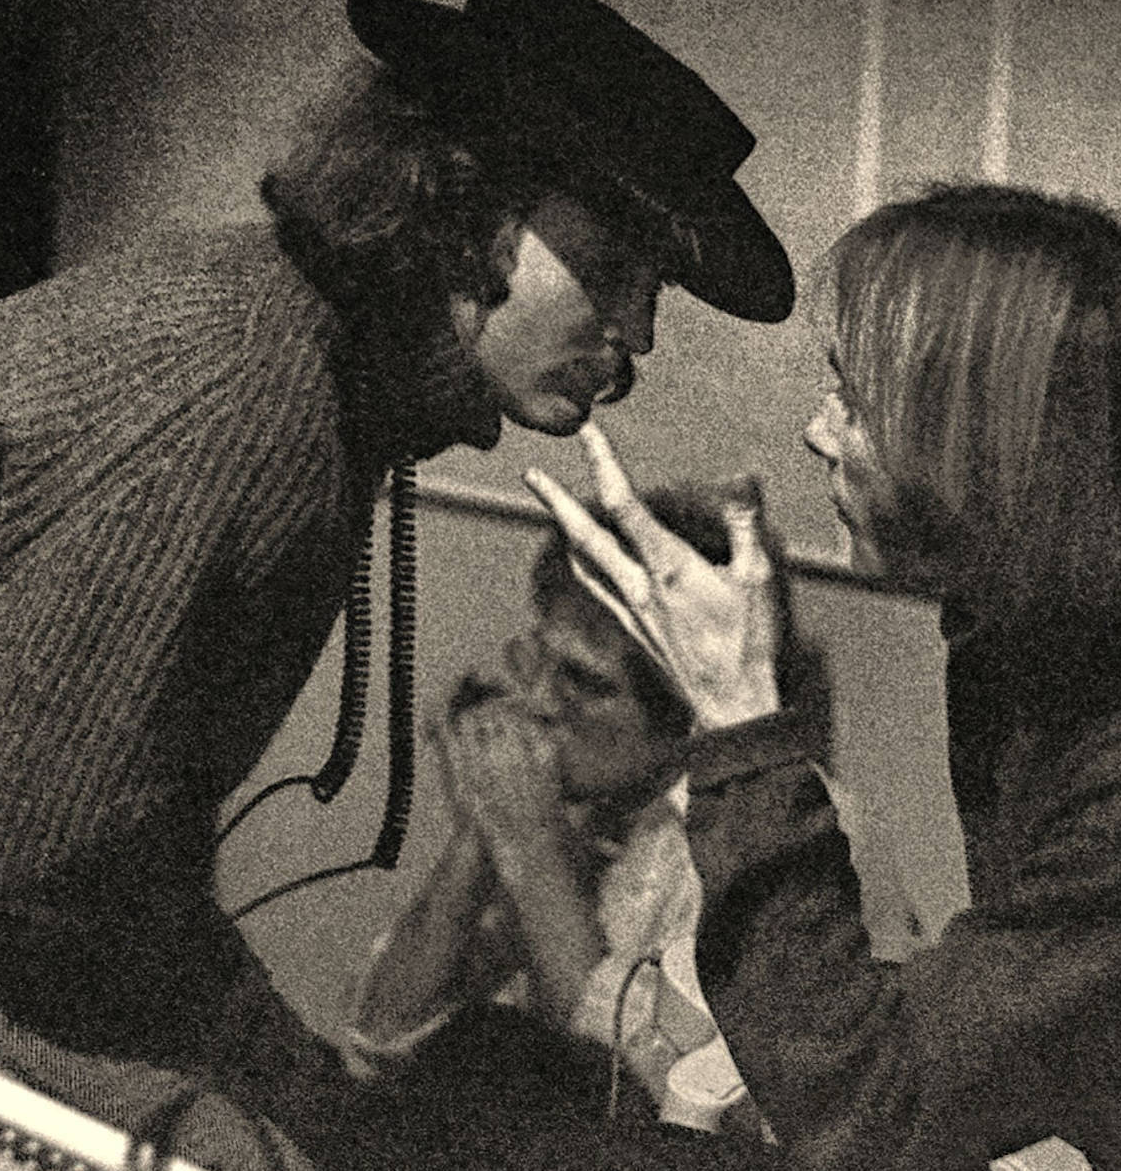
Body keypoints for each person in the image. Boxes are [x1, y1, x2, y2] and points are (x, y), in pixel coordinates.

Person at [0, 0, 794, 1168]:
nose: (635, 336)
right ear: (466, 210)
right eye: (617, 271)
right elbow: (50, 882)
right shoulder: (240, 396)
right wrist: (288, 1081)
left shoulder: (307, 351)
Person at [528, 182, 1121, 1169]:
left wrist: (741, 716)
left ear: (989, 448)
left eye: (856, 401)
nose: (818, 432)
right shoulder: (1028, 643)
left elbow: (870, 1107)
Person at [343, 485, 822, 1143]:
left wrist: (532, 848)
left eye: (586, 683)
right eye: (538, 662)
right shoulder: (585, 808)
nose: (536, 700)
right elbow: (377, 1039)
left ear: (693, 713)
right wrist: (480, 840)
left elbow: (648, 1120)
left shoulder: (756, 844)